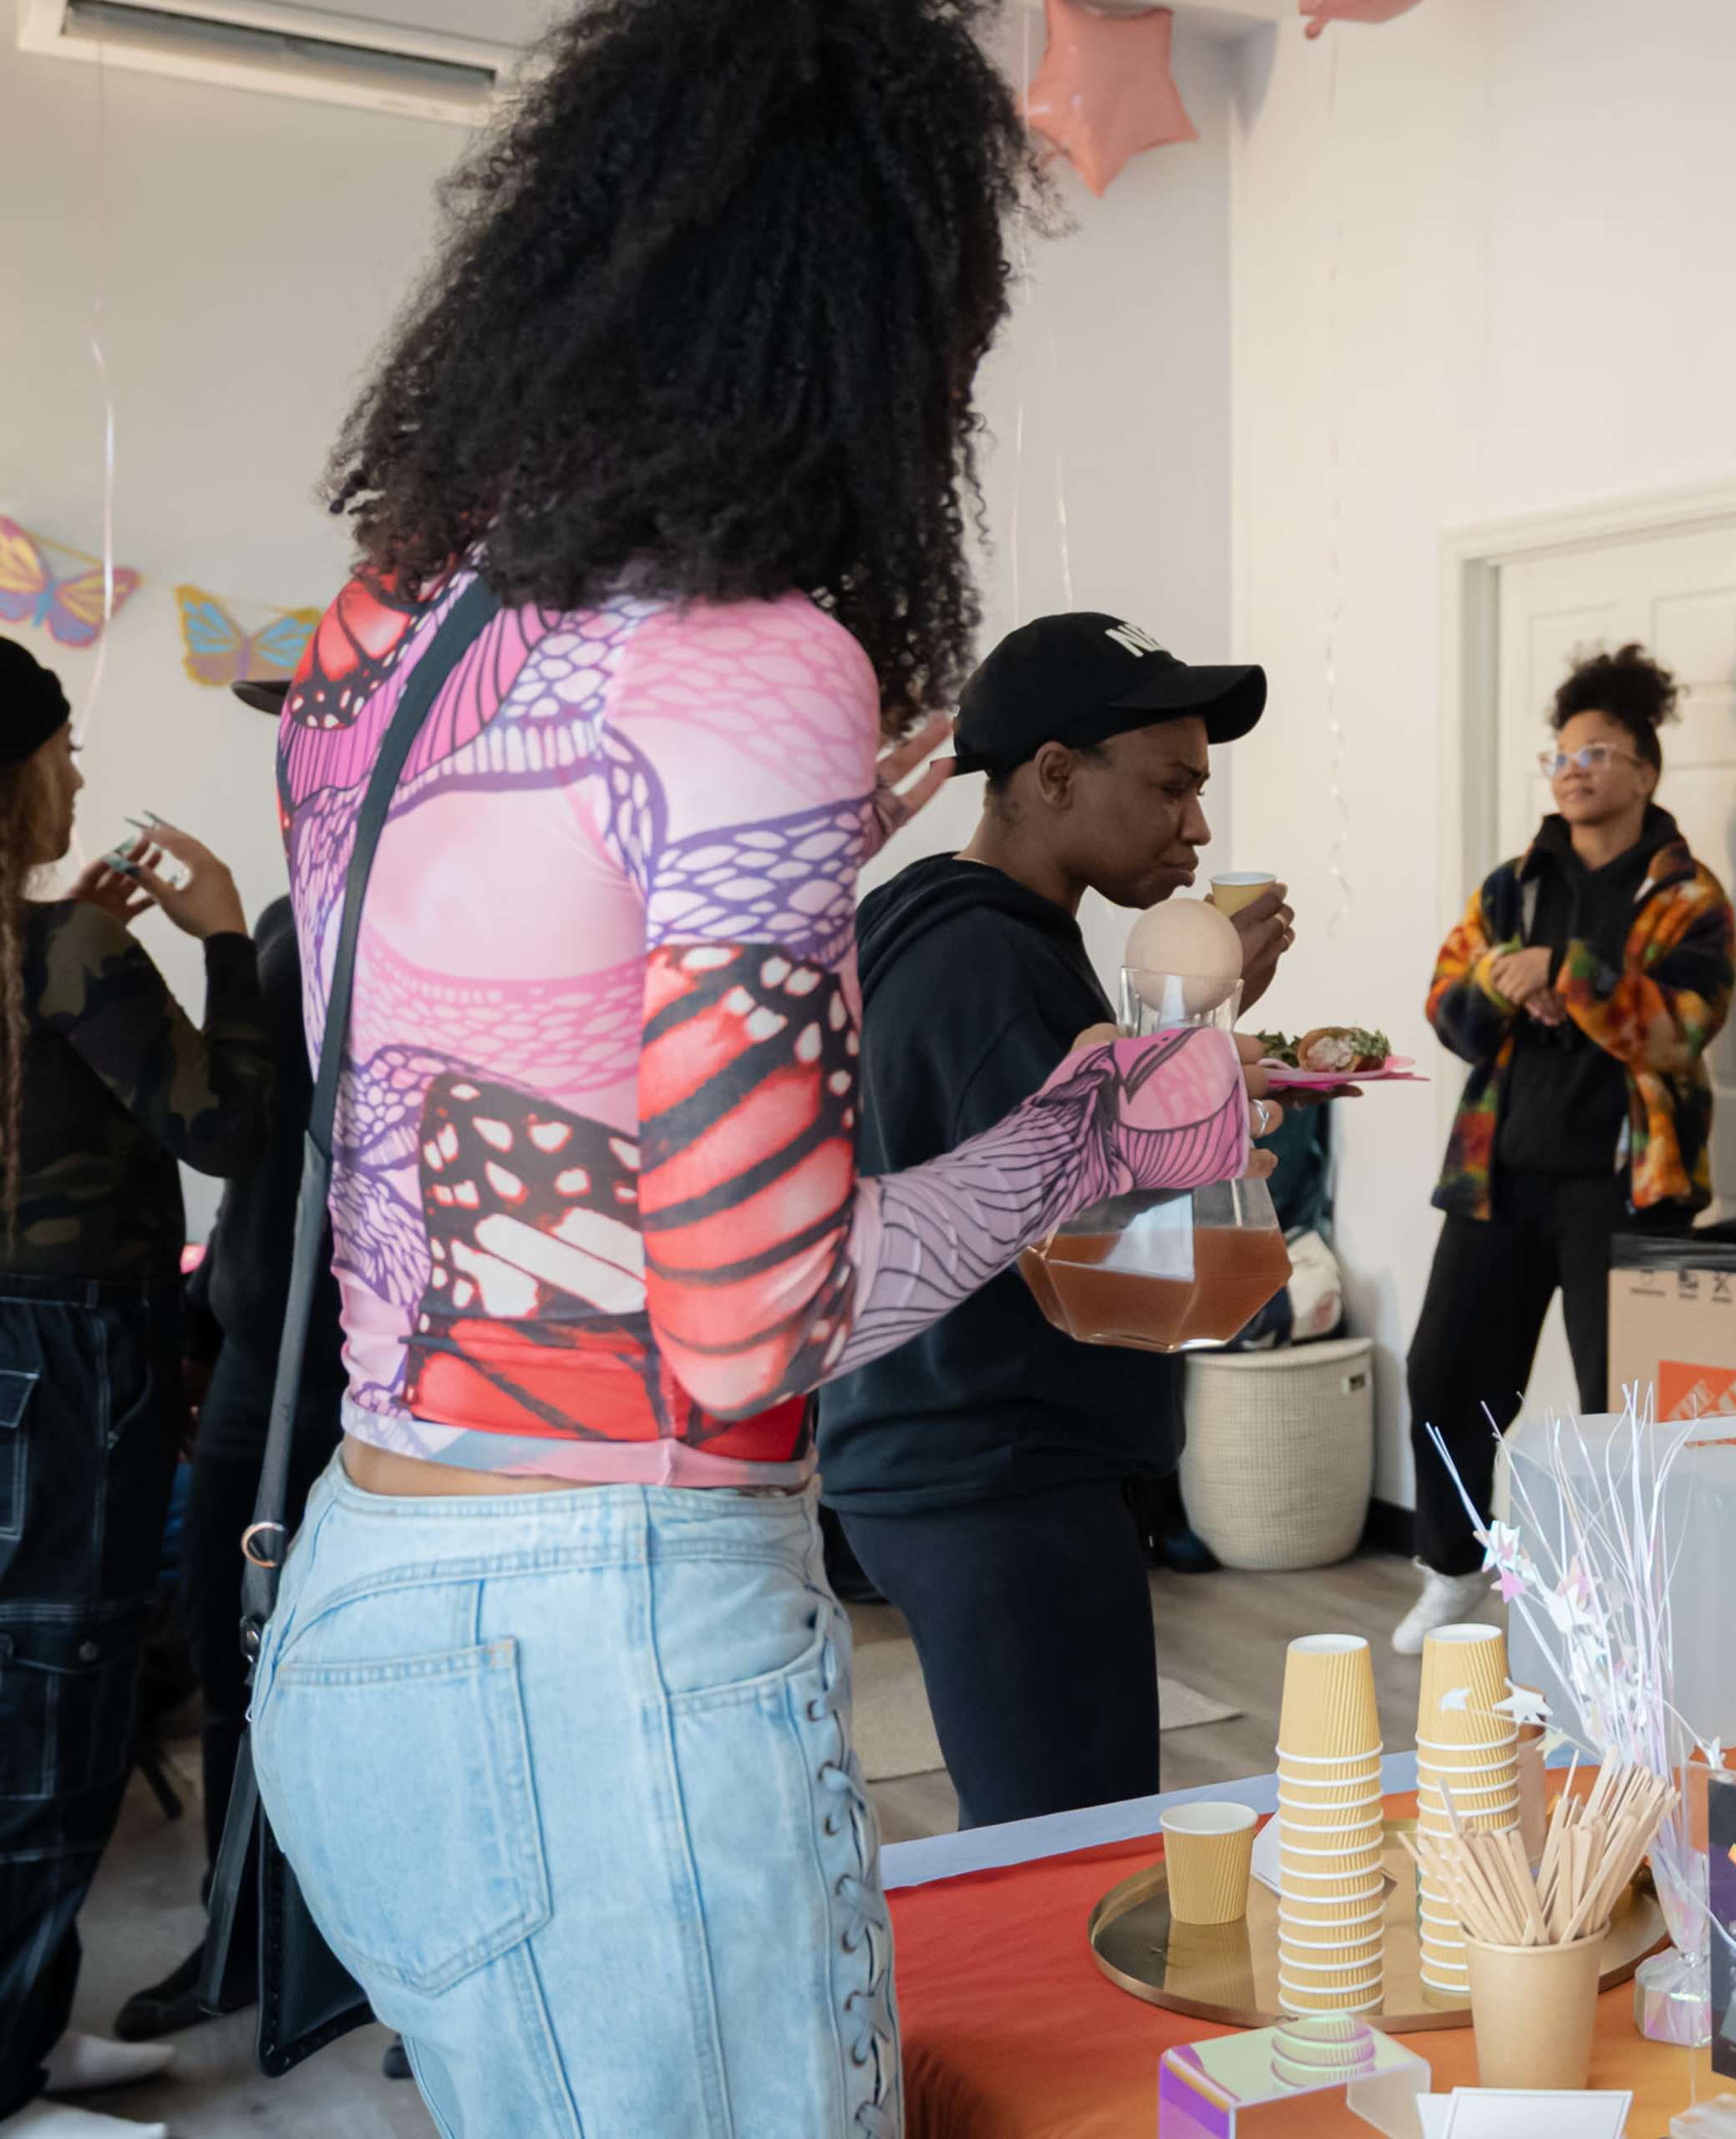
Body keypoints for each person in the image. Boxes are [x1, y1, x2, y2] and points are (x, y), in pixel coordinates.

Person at [238, 6, 1261, 2132]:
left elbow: (485, 1011)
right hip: (607, 1640)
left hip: (368, 1585)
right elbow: (751, 1324)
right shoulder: (754, 662)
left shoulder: (378, 639)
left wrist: (792, 856)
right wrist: (1115, 1102)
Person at [820, 611, 1294, 1827]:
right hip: (998, 1474)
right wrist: (1198, 1067)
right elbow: (1116, 1262)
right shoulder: (989, 964)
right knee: (1065, 1859)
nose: (1196, 824)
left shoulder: (940, 926)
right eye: (1171, 785)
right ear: (1052, 775)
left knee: (1037, 1841)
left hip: (945, 1456)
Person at [0, 638, 275, 2139]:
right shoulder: (66, 950)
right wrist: (227, 938)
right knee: (58, 1714)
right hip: (62, 1362)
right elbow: (227, 1127)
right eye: (64, 752)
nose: (82, 778)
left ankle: (29, 2037)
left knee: (24, 1706)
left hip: (21, 1357)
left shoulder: (42, 951)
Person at [1398, 644, 1735, 1653]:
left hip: (1629, 1188)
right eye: (1561, 753)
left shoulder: (1687, 892)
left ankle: (1615, 1599)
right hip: (1498, 1175)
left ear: (1645, 771)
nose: (1575, 767)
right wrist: (1504, 984)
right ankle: (1450, 1571)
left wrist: (1570, 976)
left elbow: (1685, 1025)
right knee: (1446, 1373)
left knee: (1617, 1408)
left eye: (1599, 750)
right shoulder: (1512, 885)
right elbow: (1448, 1003)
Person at [112, 878, 343, 2050]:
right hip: (261, 1346)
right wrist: (211, 1313)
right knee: (225, 1642)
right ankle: (245, 1931)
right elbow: (254, 1155)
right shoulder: (285, 916)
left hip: (355, 1359)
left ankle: (352, 1951)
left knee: (338, 1668)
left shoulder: (409, 894)